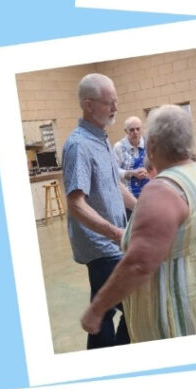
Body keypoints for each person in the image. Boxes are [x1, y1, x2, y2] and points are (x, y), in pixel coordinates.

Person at [79, 104, 196, 342]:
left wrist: (96, 310)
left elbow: (138, 264)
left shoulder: (161, 189)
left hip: (186, 319)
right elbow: (181, 237)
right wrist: (125, 234)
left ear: (151, 147)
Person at [63, 73, 137, 349]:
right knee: (135, 304)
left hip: (113, 239)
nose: (115, 108)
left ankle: (99, 357)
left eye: (116, 102)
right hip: (101, 246)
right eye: (109, 103)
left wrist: (142, 208)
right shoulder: (78, 145)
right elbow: (76, 203)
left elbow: (114, 185)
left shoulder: (102, 139)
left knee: (101, 312)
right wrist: (113, 232)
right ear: (89, 105)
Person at [112, 116, 149, 200]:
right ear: (126, 131)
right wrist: (132, 173)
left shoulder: (148, 144)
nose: (135, 132)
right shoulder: (119, 147)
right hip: (128, 197)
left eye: (138, 129)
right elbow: (113, 171)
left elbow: (157, 165)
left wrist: (147, 171)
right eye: (132, 130)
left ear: (141, 129)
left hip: (149, 193)